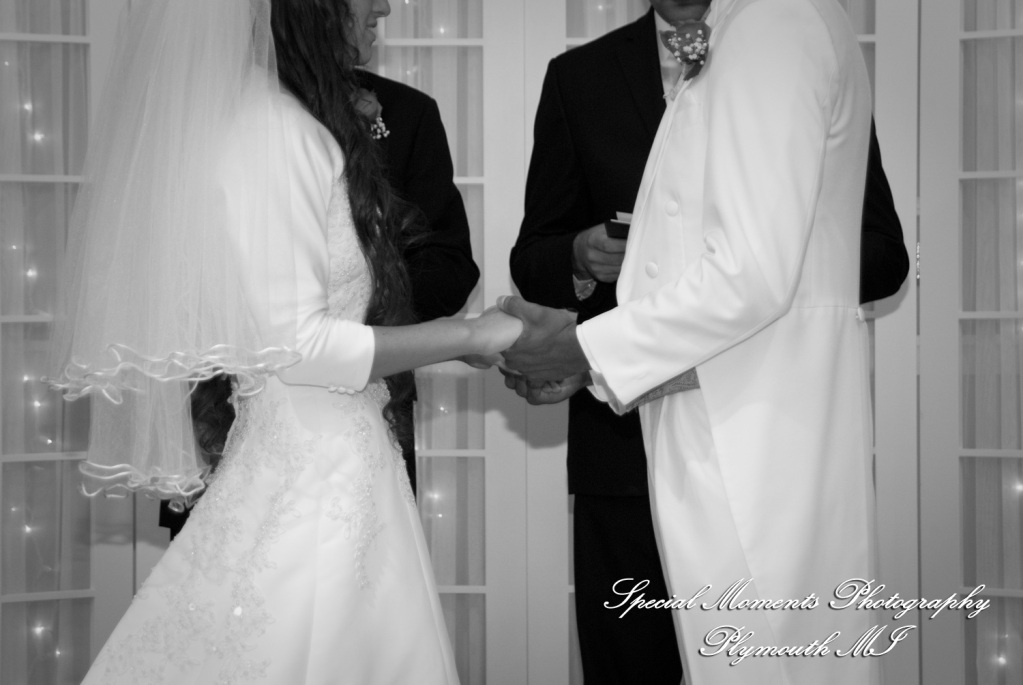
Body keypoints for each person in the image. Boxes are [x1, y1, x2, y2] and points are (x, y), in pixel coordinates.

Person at [48, 0, 517, 682]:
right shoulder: (277, 130)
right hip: (314, 466)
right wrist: (466, 333)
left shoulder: (268, 120)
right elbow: (298, 348)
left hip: (329, 451)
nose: (384, 5)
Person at [509, 0, 907, 682]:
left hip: (749, 435)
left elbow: (762, 273)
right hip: (642, 437)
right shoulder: (589, 74)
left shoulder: (774, 28)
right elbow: (543, 249)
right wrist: (583, 279)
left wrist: (587, 351)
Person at [157, 55, 481, 539]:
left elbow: (451, 268)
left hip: (363, 412)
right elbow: (175, 262)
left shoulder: (407, 112)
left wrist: (363, 310)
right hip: (226, 406)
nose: (382, 16)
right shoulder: (207, 111)